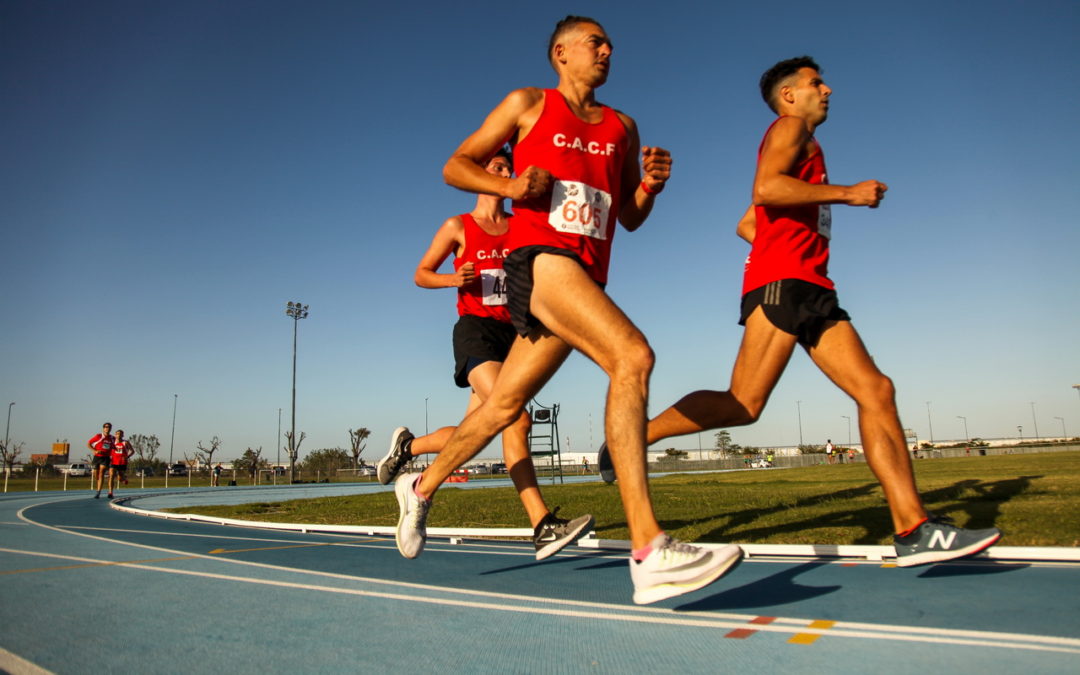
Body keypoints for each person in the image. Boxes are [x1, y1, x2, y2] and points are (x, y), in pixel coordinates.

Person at [391, 15, 742, 605]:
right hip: (541, 262)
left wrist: (650, 187)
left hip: (583, 272)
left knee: (503, 406)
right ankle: (650, 548)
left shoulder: (623, 126)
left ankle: (420, 488)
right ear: (560, 52)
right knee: (632, 355)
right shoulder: (528, 103)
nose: (606, 50)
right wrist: (508, 189)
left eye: (609, 45)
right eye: (594, 42)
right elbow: (456, 166)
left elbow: (627, 216)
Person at [608, 55, 1000, 568]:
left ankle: (913, 527)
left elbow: (749, 222)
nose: (828, 88)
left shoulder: (807, 145)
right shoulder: (790, 128)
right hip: (785, 284)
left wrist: (781, 237)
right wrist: (847, 195)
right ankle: (635, 436)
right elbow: (766, 190)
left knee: (875, 389)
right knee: (743, 406)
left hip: (810, 285)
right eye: (817, 83)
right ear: (790, 95)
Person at [377, 149, 594, 561]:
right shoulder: (458, 226)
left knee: (478, 427)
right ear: (480, 175)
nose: (505, 173)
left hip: (515, 335)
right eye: (498, 167)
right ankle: (541, 523)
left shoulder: (520, 226)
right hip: (475, 332)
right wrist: (450, 278)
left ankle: (410, 448)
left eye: (509, 168)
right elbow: (420, 274)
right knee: (514, 415)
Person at [87, 422, 114, 499]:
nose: (107, 428)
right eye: (106, 427)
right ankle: (99, 484)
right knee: (96, 474)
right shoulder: (98, 436)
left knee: (102, 472)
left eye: (109, 427)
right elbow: (89, 443)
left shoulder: (112, 438)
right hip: (97, 457)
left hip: (105, 457)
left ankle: (98, 492)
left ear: (110, 429)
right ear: (103, 428)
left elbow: (115, 446)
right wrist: (94, 450)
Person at [106, 429, 133, 498]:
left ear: (123, 435)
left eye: (120, 434)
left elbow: (132, 451)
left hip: (122, 462)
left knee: (120, 478)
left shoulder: (125, 442)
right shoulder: (112, 442)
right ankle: (110, 492)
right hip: (113, 462)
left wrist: (127, 457)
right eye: (117, 434)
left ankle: (123, 479)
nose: (119, 435)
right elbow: (106, 449)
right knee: (111, 475)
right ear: (115, 435)